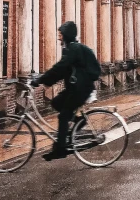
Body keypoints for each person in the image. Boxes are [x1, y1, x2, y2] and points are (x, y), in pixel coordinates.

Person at [31, 21, 100, 161]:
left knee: (63, 117)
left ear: (67, 35)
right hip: (77, 88)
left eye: (60, 35)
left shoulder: (73, 49)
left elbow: (60, 67)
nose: (59, 38)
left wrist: (40, 80)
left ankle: (60, 149)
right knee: (56, 102)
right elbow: (63, 71)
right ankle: (79, 121)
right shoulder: (71, 48)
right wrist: (47, 82)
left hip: (81, 89)